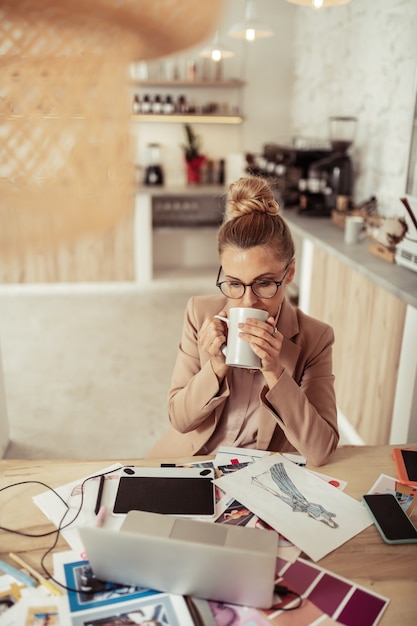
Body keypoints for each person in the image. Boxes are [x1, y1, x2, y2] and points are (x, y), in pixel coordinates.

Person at [147, 176, 339, 466]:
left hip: (257, 473)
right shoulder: (200, 314)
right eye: (234, 284)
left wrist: (275, 373)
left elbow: (322, 450)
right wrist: (215, 366)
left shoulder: (316, 338)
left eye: (264, 283)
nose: (248, 302)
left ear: (289, 273)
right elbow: (180, 419)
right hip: (192, 459)